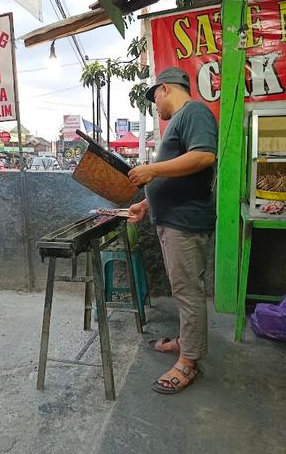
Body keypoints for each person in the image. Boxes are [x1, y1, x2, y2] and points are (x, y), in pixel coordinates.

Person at [128, 67, 218, 395]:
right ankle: (185, 341)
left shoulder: (193, 113)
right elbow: (175, 177)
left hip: (185, 222)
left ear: (164, 89)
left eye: (155, 101)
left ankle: (190, 361)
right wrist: (147, 204)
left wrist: (150, 169)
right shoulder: (181, 122)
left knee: (188, 291)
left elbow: (204, 156)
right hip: (172, 220)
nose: (156, 109)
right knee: (183, 289)